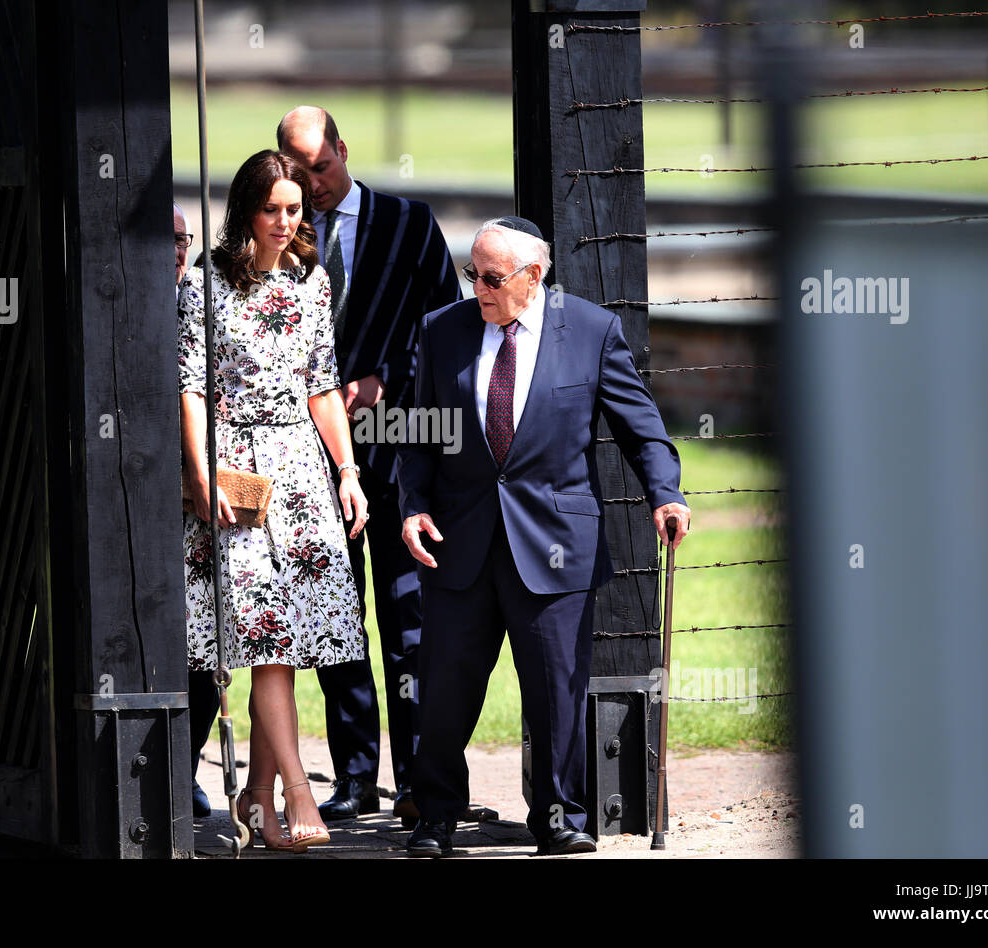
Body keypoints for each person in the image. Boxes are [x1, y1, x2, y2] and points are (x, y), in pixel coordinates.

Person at [396, 217, 692, 858]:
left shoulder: (590, 331)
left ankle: (559, 815)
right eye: (471, 272)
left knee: (557, 689)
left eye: (492, 277)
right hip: (459, 544)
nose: (478, 287)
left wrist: (665, 493)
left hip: (556, 543)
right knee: (445, 689)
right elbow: (418, 435)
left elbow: (641, 428)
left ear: (534, 276)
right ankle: (436, 815)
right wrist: (413, 505)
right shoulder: (442, 331)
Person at [179, 149, 369, 852]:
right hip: (237, 475)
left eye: (295, 208)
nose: (286, 221)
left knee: (285, 646)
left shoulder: (313, 283)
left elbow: (324, 385)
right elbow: (190, 387)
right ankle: (295, 792)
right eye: (273, 209)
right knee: (263, 635)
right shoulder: (205, 285)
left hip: (302, 471)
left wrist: (347, 469)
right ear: (247, 211)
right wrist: (200, 476)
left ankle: (255, 798)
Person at [277, 106, 462, 825]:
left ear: (344, 151)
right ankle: (355, 778)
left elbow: (447, 328)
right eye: (298, 172)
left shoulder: (409, 222)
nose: (314, 185)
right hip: (312, 457)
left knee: (411, 621)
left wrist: (390, 375)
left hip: (399, 452)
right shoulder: (278, 232)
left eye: (322, 168)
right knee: (335, 624)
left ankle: (421, 778)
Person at [174, 202, 220, 821]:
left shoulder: (205, 303)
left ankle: (184, 766)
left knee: (207, 659)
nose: (176, 250)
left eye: (184, 239)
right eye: (165, 238)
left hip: (202, 507)